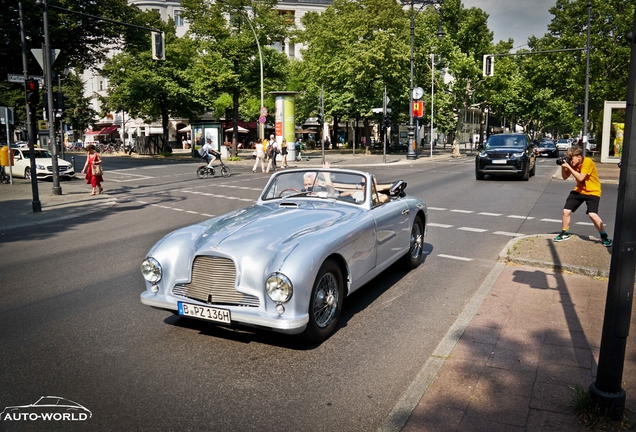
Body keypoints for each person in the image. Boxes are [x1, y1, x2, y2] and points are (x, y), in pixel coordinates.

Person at [554, 145, 612, 247]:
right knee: (566, 211)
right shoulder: (572, 163)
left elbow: (581, 178)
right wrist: (564, 167)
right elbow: (564, 177)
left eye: (572, 159)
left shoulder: (587, 162)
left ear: (579, 157)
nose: (571, 162)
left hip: (592, 191)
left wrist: (569, 167)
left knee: (592, 214)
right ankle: (564, 233)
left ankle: (604, 236)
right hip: (579, 190)